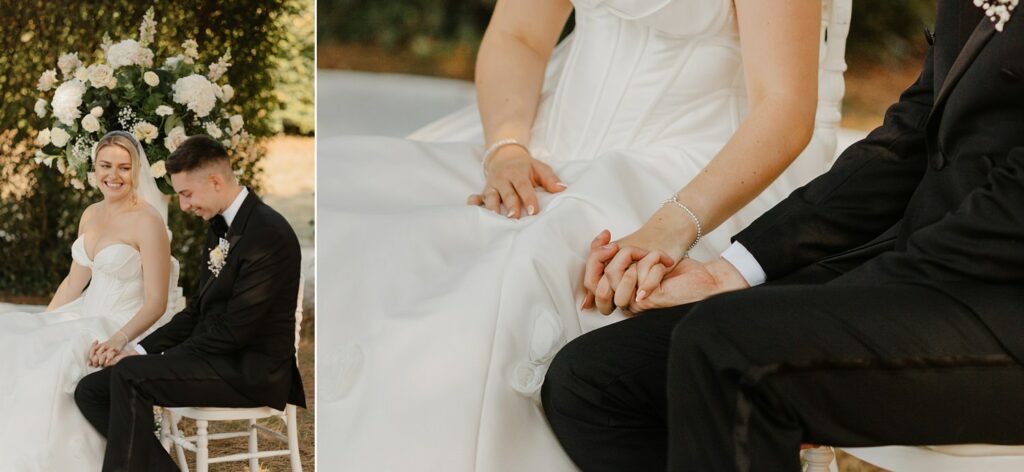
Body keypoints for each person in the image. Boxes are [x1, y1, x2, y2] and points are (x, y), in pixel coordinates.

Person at [318, 0, 824, 469]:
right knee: (363, 220)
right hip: (545, 141)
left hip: (701, 173)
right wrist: (508, 147)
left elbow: (784, 108)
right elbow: (518, 35)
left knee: (507, 287)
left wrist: (671, 224)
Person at [543, 1, 1024, 470]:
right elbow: (909, 139)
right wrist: (727, 273)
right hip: (931, 265)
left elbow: (1009, 214)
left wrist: (820, 318)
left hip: (1001, 305)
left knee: (724, 352)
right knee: (593, 383)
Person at [73, 135, 306, 471]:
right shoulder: (219, 226)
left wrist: (161, 360)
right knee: (90, 390)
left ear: (214, 181)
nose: (183, 205)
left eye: (186, 194)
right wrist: (139, 351)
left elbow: (235, 331)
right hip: (217, 357)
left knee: (128, 375)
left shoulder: (267, 234)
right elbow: (198, 309)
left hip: (250, 370)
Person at [0, 131, 178, 470]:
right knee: (13, 334)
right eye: (105, 166)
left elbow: (156, 302)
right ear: (94, 168)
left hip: (121, 326)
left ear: (137, 169)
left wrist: (118, 339)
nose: (113, 176)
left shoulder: (148, 221)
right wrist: (42, 325)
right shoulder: (91, 214)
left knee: (60, 357)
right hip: (84, 313)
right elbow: (73, 282)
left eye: (124, 167)